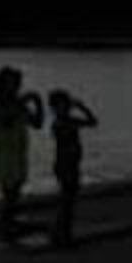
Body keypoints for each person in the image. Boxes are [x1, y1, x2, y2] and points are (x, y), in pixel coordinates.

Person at [0, 66, 44, 242]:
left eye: (17, 83)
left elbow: (37, 124)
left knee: (15, 193)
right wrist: (22, 101)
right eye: (11, 83)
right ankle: (4, 229)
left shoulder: (20, 105)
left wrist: (38, 103)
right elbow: (5, 120)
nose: (15, 86)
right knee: (9, 193)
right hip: (4, 153)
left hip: (18, 153)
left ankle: (8, 226)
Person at [47, 89, 99, 248]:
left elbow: (92, 122)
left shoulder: (69, 121)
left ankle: (63, 233)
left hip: (72, 163)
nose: (65, 108)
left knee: (70, 200)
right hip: (64, 164)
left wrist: (82, 108)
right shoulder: (59, 124)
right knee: (66, 199)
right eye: (61, 105)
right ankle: (60, 233)